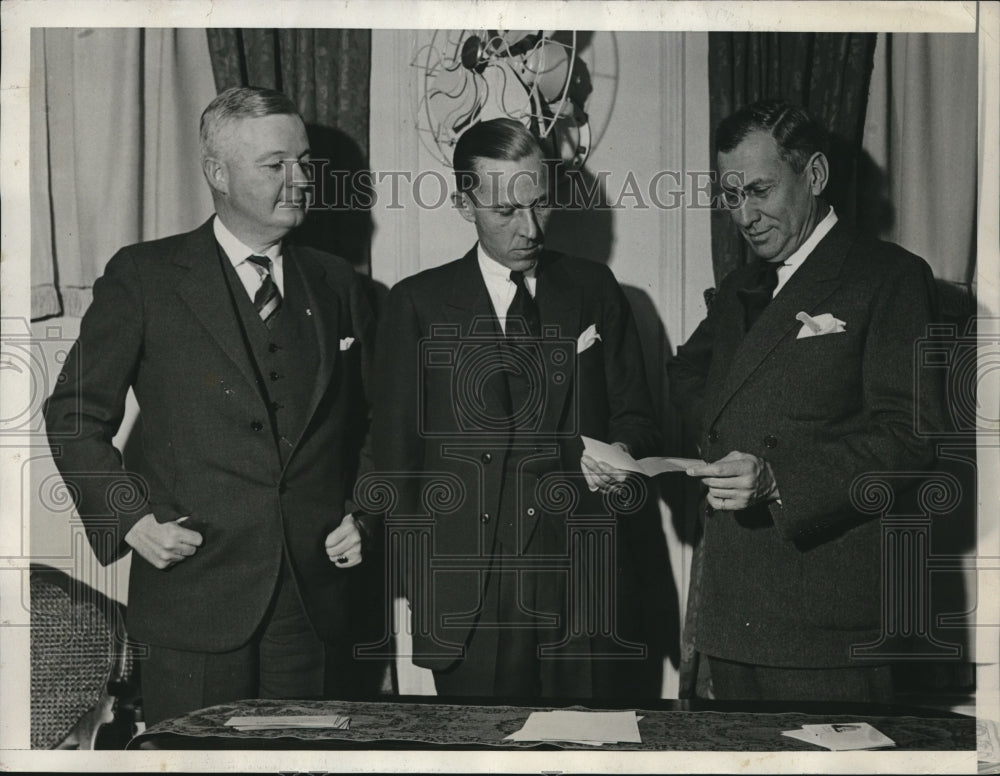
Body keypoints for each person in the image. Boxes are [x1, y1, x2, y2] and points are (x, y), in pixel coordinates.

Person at [44, 86, 380, 723]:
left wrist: (363, 513)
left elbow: (373, 421)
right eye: (275, 164)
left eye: (304, 162)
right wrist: (132, 519)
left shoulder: (338, 283)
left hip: (312, 602)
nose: (300, 179)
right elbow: (72, 415)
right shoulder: (144, 276)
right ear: (217, 174)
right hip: (193, 595)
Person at [371, 118, 660, 698]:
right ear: (464, 203)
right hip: (468, 596)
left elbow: (637, 414)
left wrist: (624, 453)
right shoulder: (416, 304)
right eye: (506, 211)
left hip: (582, 586)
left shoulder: (595, 289)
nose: (529, 229)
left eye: (541, 204)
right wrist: (409, 580)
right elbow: (395, 452)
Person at [668, 99, 941, 702]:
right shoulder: (742, 285)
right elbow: (685, 379)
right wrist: (708, 445)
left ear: (814, 176)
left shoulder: (889, 277)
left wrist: (776, 477)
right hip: (733, 611)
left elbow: (910, 440)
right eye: (731, 195)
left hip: (828, 624)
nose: (744, 214)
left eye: (760, 190)